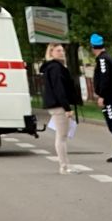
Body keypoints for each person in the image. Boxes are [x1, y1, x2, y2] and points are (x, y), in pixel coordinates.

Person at [40, 42, 80, 174]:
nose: (61, 53)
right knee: (61, 137)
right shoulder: (56, 68)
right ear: (51, 53)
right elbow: (59, 89)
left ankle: (66, 165)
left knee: (61, 136)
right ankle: (64, 166)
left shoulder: (53, 67)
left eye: (62, 50)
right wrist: (67, 108)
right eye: (58, 50)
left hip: (56, 104)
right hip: (59, 105)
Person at [90, 33, 112, 162]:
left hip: (109, 98)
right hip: (110, 96)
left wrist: (102, 95)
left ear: (93, 47)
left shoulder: (103, 60)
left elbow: (105, 78)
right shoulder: (109, 58)